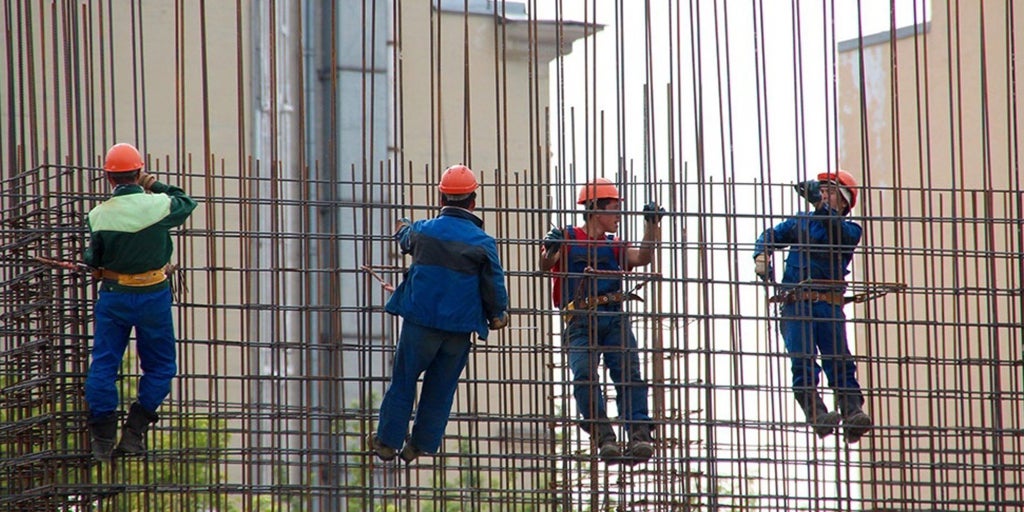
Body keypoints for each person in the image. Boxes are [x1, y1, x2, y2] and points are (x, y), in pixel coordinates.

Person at [370, 164, 510, 463]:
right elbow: (494, 283)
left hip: (421, 325)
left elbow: (405, 238)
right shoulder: (483, 242)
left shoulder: (423, 231)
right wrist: (498, 314)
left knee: (404, 380)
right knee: (441, 388)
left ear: (441, 199)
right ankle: (421, 445)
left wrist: (402, 224)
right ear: (473, 201)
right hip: (458, 331)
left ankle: (387, 441)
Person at [84, 143, 198, 461]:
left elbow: (94, 257)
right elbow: (187, 201)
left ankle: (103, 438)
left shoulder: (98, 215)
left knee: (104, 365)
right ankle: (134, 431)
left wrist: (97, 266)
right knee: (161, 366)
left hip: (114, 295)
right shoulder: (159, 206)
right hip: (153, 295)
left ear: (108, 177)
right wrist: (153, 184)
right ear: (139, 171)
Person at [539, 178, 665, 463]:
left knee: (629, 374)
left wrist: (652, 225)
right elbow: (546, 264)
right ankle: (603, 435)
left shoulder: (616, 245)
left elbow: (643, 256)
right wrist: (552, 246)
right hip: (579, 319)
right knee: (583, 375)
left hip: (614, 318)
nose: (619, 216)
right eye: (614, 209)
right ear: (595, 209)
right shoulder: (567, 237)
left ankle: (638, 434)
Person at [753, 170, 873, 443]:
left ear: (844, 203)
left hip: (828, 306)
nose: (823, 195)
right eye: (821, 190)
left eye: (830, 192)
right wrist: (762, 253)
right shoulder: (800, 222)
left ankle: (852, 412)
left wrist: (819, 205)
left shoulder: (849, 229)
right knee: (803, 361)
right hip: (797, 305)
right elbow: (771, 235)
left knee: (839, 360)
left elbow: (835, 229)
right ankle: (817, 415)